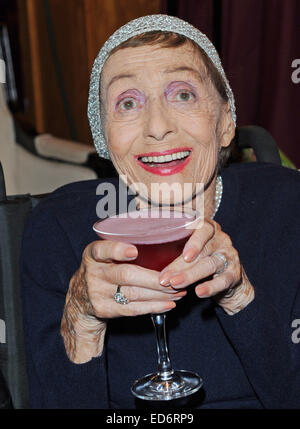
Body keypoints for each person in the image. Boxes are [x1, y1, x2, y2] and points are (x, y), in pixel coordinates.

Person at [21, 15, 300, 409]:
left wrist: (240, 297)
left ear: (226, 122)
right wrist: (82, 318)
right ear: (104, 138)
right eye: (129, 102)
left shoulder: (288, 206)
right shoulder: (57, 229)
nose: (157, 126)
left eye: (183, 94)